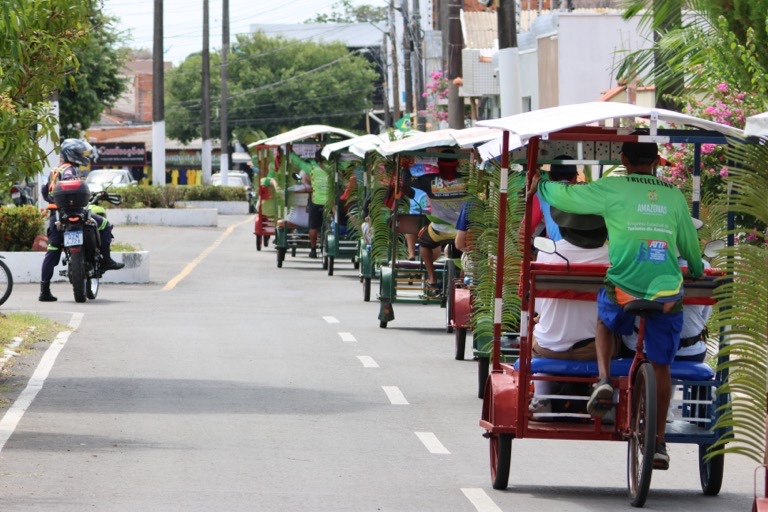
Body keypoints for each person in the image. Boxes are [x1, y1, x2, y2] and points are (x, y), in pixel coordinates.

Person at [531, 140, 704, 470]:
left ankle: (606, 379)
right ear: (656, 161)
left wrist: (542, 183)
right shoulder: (673, 194)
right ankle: (659, 443)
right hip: (666, 291)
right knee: (661, 365)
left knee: (605, 321)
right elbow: (688, 243)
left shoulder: (611, 188)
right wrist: (694, 269)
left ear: (624, 159)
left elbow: (566, 196)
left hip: (624, 286)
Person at [39, 139, 125, 302]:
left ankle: (44, 290)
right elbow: (75, 187)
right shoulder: (70, 170)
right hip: (76, 212)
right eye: (80, 153)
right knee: (105, 225)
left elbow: (45, 193)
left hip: (57, 216)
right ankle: (106, 260)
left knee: (53, 250)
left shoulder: (53, 172)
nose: (82, 157)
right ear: (72, 154)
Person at [407, 155, 466, 295]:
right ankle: (463, 277)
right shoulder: (467, 179)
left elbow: (406, 180)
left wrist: (404, 167)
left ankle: (432, 278)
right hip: (462, 230)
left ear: (439, 164)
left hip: (439, 230)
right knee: (468, 248)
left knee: (424, 243)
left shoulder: (430, 180)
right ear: (457, 164)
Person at [303, 150, 328, 259]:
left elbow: (304, 178)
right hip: (329, 202)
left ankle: (313, 250)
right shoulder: (332, 169)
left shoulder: (312, 169)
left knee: (313, 226)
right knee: (329, 225)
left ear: (317, 159)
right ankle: (326, 247)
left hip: (315, 201)